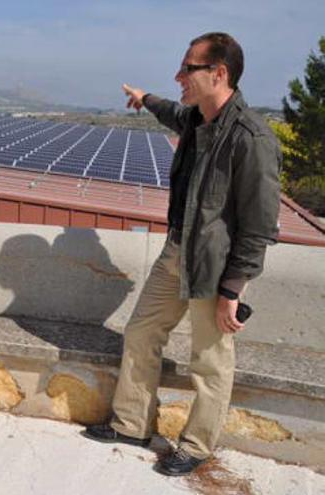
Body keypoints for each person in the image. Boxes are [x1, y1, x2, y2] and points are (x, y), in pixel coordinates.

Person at [82, 32, 281, 476]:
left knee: (209, 362)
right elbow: (172, 112)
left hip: (214, 266)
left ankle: (196, 446)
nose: (179, 76)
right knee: (141, 331)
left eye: (188, 68)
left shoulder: (253, 139)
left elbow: (259, 226)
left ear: (219, 73)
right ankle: (131, 423)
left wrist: (234, 287)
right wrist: (144, 98)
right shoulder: (196, 120)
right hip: (176, 250)